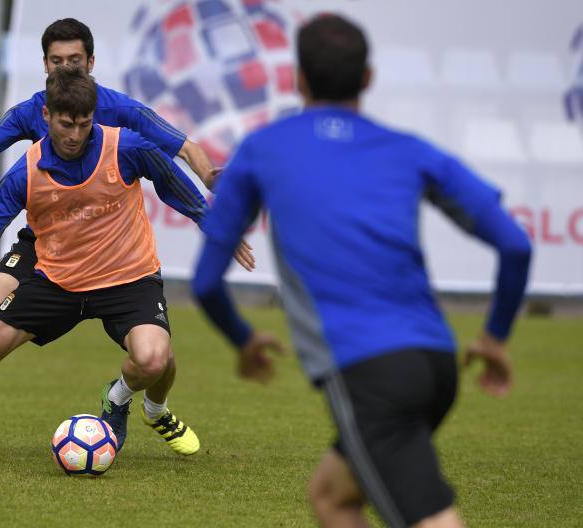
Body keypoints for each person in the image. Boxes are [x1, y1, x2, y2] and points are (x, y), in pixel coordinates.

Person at [192, 14, 532, 528]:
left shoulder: (262, 150)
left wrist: (243, 340)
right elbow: (515, 245)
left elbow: (205, 282)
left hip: (369, 374)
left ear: (297, 79)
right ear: (368, 78)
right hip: (436, 362)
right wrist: (495, 336)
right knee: (332, 496)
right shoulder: (408, 148)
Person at [0, 18, 253, 441]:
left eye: (74, 61)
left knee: (158, 359)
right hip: (48, 242)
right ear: (44, 65)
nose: (66, 70)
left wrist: (210, 180)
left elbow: (182, 148)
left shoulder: (119, 112)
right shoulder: (33, 110)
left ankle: (148, 406)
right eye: (57, 61)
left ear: (91, 63)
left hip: (111, 258)